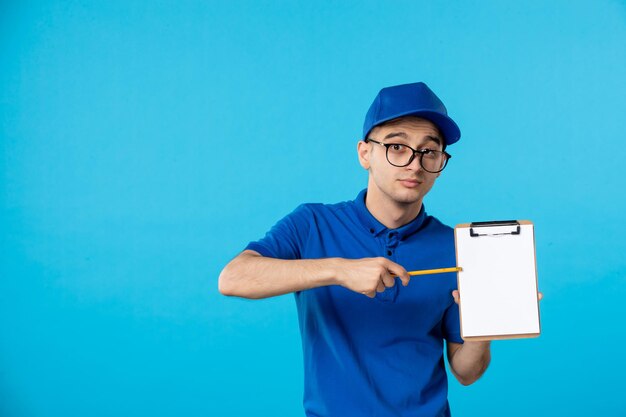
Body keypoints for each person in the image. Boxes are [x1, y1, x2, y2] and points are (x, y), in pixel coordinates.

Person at [219, 82, 538, 417]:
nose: (415, 164)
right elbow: (234, 278)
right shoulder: (313, 223)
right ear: (364, 153)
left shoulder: (457, 247)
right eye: (397, 147)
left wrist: (486, 325)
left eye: (429, 151)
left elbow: (466, 372)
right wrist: (340, 270)